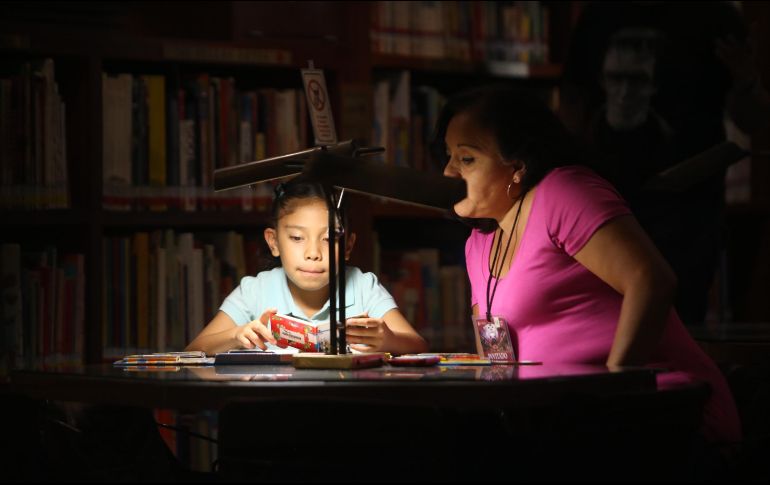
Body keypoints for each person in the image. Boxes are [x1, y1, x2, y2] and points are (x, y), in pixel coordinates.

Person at [432, 85, 741, 463]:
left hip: (654, 412)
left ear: (518, 166)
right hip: (554, 424)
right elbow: (498, 361)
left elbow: (652, 280)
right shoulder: (478, 244)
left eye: (466, 159)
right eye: (448, 156)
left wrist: (614, 385)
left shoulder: (561, 191)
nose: (447, 171)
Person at [559, 1, 770, 326]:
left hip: (686, 210)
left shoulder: (715, 16)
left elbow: (752, 120)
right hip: (602, 203)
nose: (626, 93)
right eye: (617, 80)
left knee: (678, 326)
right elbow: (572, 102)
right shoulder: (599, 14)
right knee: (597, 322)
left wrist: (747, 80)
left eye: (638, 81)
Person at [186, 179, 428, 355]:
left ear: (347, 246)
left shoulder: (364, 286)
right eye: (297, 238)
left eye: (329, 238)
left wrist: (388, 340)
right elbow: (194, 350)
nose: (313, 254)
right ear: (274, 242)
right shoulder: (254, 290)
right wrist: (236, 335)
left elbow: (418, 346)